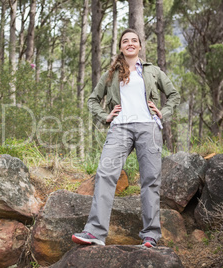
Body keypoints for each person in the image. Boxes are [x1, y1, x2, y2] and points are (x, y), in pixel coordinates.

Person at [72, 28, 180, 248]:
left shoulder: (152, 71)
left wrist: (162, 113)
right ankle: (95, 233)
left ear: (140, 46)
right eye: (125, 41)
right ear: (120, 47)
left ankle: (150, 235)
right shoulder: (111, 73)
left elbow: (174, 95)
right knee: (105, 174)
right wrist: (106, 116)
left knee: (150, 180)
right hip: (119, 128)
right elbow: (93, 99)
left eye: (134, 40)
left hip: (148, 128)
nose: (130, 43)